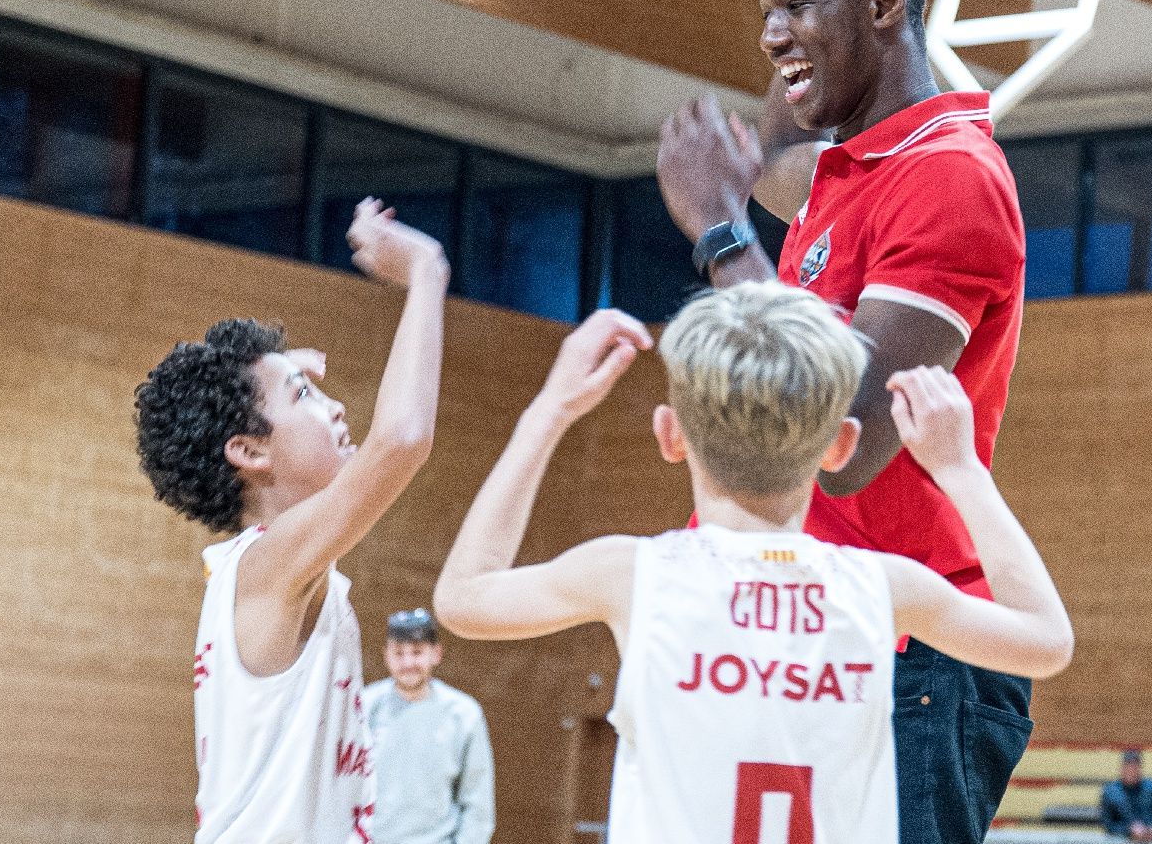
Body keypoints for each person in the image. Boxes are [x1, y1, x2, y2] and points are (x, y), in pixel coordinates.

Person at [655, 0, 1031, 844]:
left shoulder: (950, 175)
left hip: (913, 656)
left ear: (884, 5)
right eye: (766, 12)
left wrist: (720, 232)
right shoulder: (850, 171)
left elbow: (845, 434)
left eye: (798, 5)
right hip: (810, 628)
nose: (775, 32)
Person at [432, 282, 1073, 843]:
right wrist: (959, 470)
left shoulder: (632, 575)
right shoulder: (881, 588)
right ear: (841, 446)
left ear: (669, 433)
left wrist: (549, 410)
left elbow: (462, 598)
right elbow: (1046, 642)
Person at [135, 198, 449, 843]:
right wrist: (426, 268)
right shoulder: (265, 566)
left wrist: (285, 379)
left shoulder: (269, 569)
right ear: (248, 451)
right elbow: (402, 440)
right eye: (306, 397)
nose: (336, 407)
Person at [363, 608, 495, 844]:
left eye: (417, 652)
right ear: (386, 655)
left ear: (436, 653)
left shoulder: (463, 714)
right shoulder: (364, 706)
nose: (407, 662)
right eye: (398, 653)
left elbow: (478, 802)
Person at [1100, 749, 1152, 841]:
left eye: (1135, 767)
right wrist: (1128, 830)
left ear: (1140, 768)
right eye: (1128, 767)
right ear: (1121, 768)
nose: (1131, 771)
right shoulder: (1110, 792)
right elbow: (1108, 824)